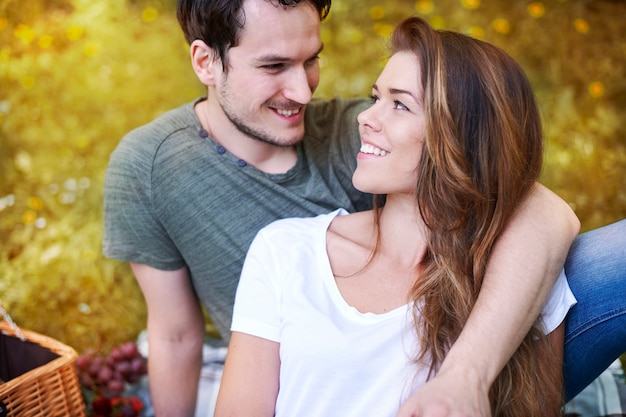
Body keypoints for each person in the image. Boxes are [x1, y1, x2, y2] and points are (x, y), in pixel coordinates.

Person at [102, 0, 625, 415]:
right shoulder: (152, 168)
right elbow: (173, 334)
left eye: (311, 60)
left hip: (466, 334)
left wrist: (468, 372)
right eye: (274, 66)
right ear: (205, 62)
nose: (302, 91)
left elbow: (525, 197)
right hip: (292, 361)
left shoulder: (360, 132)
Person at [215, 16, 576, 417]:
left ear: (462, 136)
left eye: (400, 104)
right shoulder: (285, 250)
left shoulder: (517, 275)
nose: (365, 118)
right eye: (375, 98)